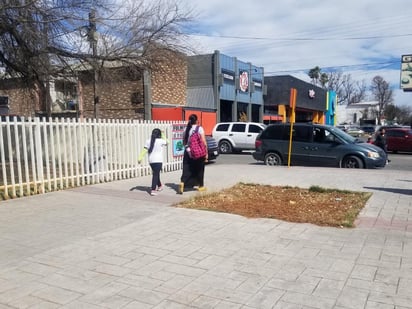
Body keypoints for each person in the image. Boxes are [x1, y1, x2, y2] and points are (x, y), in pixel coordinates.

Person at [178, 114, 208, 194]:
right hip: (198, 152)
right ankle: (201, 186)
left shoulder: (186, 129)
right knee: (200, 169)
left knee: (187, 168)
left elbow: (184, 142)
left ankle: (182, 182)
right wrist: (206, 153)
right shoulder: (200, 128)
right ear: (197, 120)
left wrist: (188, 148)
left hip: (188, 152)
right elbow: (204, 142)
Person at [138, 128, 168, 196]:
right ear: (159, 134)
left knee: (156, 173)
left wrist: (140, 158)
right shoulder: (161, 141)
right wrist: (163, 134)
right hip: (158, 160)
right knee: (155, 174)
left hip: (151, 161)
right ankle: (153, 190)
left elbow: (144, 150)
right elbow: (168, 142)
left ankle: (160, 186)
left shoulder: (148, 141)